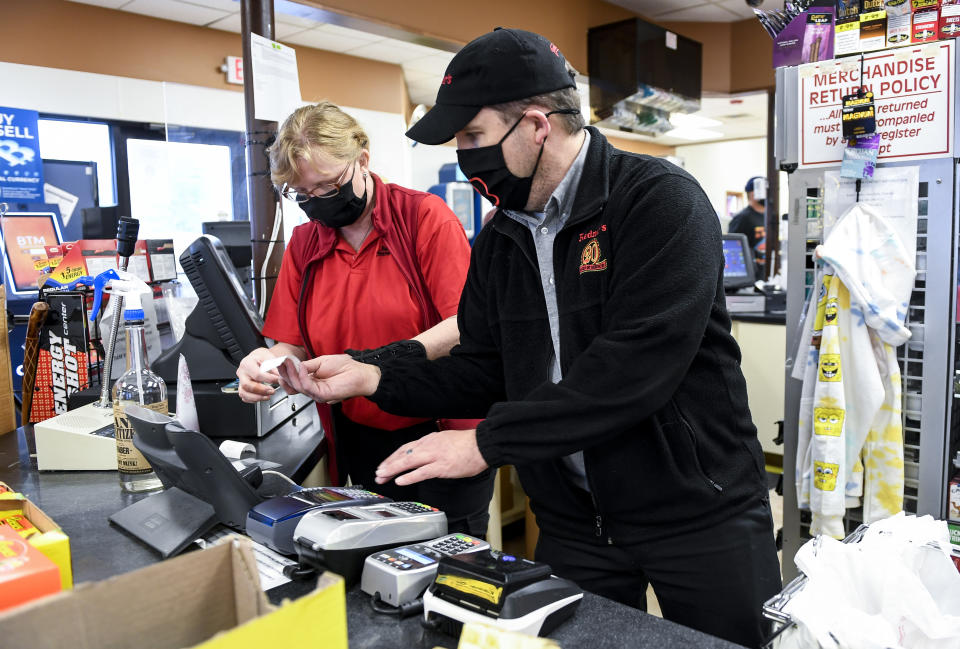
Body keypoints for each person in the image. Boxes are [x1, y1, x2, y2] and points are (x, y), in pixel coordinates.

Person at [281, 30, 781, 648]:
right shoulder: (502, 237)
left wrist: (487, 444)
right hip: (574, 521)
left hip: (696, 514)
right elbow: (485, 365)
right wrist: (376, 376)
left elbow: (635, 369)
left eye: (472, 137)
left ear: (537, 125)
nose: (466, 158)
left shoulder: (657, 200)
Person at [236, 101, 495, 538]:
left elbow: (463, 324)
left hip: (435, 431)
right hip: (356, 434)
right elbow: (290, 342)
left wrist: (375, 364)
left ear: (363, 160)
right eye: (304, 195)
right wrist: (264, 363)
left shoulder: (423, 218)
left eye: (329, 185)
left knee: (448, 571)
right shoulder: (305, 243)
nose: (318, 203)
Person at [729, 176, 767, 270]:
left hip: (766, 274)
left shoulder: (769, 217)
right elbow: (732, 249)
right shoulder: (742, 218)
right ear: (753, 193)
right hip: (752, 274)